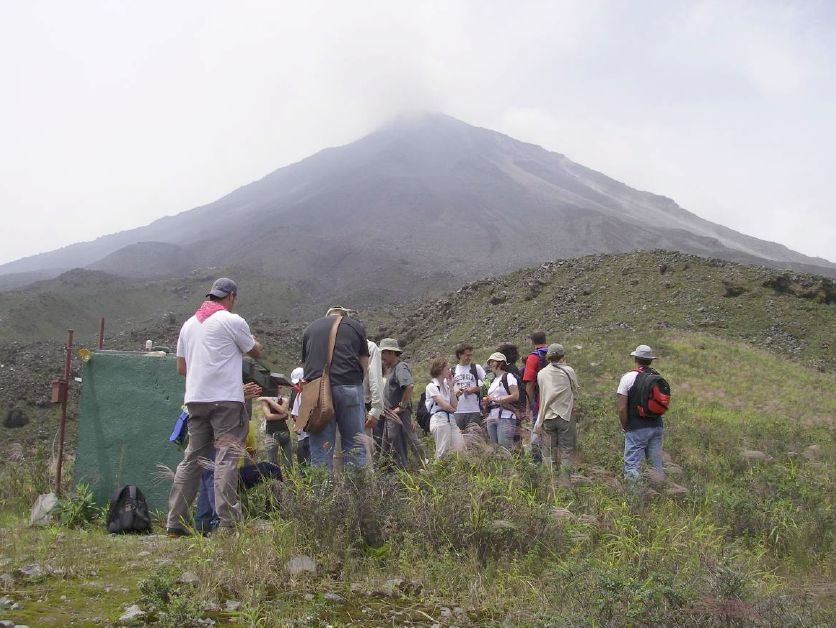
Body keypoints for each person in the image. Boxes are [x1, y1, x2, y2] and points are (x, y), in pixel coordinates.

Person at [167, 278, 261, 536]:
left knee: (192, 459)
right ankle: (228, 522)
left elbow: (181, 369)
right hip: (226, 401)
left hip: (195, 400)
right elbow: (256, 352)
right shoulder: (232, 321)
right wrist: (252, 339)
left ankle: (175, 522)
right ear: (230, 296)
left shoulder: (188, 325)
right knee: (226, 459)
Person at [301, 306, 369, 470]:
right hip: (349, 386)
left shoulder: (310, 329)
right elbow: (364, 362)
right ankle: (357, 494)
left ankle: (323, 494)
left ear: (326, 317)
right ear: (344, 317)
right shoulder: (354, 326)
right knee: (355, 446)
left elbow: (305, 365)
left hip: (317, 392)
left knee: (320, 450)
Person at [617, 344, 665, 483]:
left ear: (636, 358)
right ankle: (659, 492)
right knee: (656, 465)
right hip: (656, 425)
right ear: (650, 360)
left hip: (636, 427)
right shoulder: (657, 377)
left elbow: (621, 408)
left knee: (632, 465)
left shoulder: (628, 377)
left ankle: (635, 498)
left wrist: (626, 427)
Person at [534, 344, 579, 486]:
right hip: (565, 415)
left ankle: (550, 483)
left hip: (547, 416)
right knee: (566, 451)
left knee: (548, 452)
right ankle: (565, 484)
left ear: (548, 356)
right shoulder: (568, 371)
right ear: (562, 356)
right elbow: (575, 389)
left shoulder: (541, 373)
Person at [380, 338, 426, 469]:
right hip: (391, 413)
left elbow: (409, 386)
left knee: (406, 440)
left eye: (383, 353)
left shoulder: (400, 367)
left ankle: (421, 465)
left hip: (397, 413)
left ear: (390, 352)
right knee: (391, 442)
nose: (382, 357)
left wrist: (402, 406)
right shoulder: (392, 369)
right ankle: (398, 469)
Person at [425, 357, 464, 458]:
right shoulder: (431, 386)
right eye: (447, 369)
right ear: (440, 369)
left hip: (450, 419)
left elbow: (454, 404)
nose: (450, 371)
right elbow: (444, 405)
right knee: (443, 450)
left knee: (460, 447)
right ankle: (437, 472)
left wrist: (451, 387)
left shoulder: (447, 386)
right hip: (439, 418)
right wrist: (454, 410)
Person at [482, 352, 519, 451]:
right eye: (489, 362)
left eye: (493, 362)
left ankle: (509, 466)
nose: (490, 364)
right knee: (494, 449)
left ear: (501, 363)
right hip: (492, 416)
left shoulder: (508, 376)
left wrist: (495, 399)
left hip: (506, 416)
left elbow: (515, 396)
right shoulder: (493, 380)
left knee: (504, 449)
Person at [522, 331, 549, 461]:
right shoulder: (555, 355)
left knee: (536, 438)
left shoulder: (533, 358)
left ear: (532, 342)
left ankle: (538, 466)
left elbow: (530, 384)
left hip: (539, 404)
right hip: (558, 405)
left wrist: (528, 407)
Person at [451, 343, 486, 436]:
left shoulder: (476, 368)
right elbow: (447, 389)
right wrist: (455, 392)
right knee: (458, 439)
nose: (469, 357)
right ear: (460, 355)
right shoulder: (452, 370)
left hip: (474, 409)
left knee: (474, 438)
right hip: (457, 410)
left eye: (471, 355)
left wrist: (474, 389)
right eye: (467, 355)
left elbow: (488, 385)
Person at [497, 342, 525, 450]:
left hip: (511, 408)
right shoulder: (513, 368)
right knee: (516, 437)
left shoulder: (509, 370)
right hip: (514, 408)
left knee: (512, 438)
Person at [259, 385, 292, 474]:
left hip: (283, 432)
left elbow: (281, 410)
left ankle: (289, 483)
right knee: (272, 463)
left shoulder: (284, 400)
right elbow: (268, 416)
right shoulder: (264, 401)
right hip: (271, 433)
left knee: (288, 463)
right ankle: (276, 485)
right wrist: (283, 416)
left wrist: (269, 400)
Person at [364, 338, 384, 459]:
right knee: (363, 452)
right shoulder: (369, 347)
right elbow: (375, 380)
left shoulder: (327, 344)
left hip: (331, 409)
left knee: (337, 455)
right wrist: (376, 410)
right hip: (360, 406)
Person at [288, 367, 310, 470]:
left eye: (298, 383)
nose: (297, 386)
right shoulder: (297, 396)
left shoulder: (307, 395)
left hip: (309, 437)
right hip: (303, 437)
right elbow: (295, 416)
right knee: (304, 468)